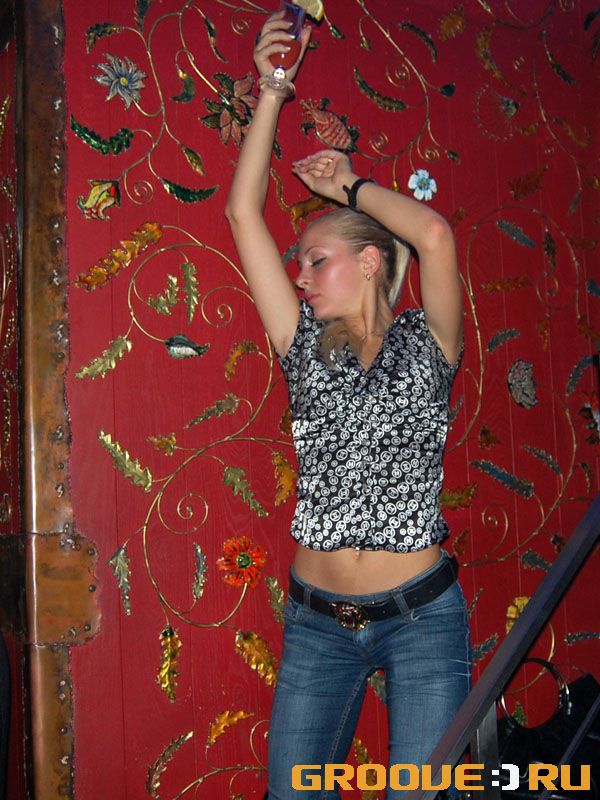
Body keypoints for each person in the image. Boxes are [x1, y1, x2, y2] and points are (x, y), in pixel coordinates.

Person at [225, 10, 471, 800]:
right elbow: (241, 213)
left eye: (316, 260)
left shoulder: (428, 343)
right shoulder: (302, 345)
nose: (299, 277)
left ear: (368, 262)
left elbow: (433, 235)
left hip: (422, 620)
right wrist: (272, 88)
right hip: (316, 624)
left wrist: (348, 186)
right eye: (298, 264)